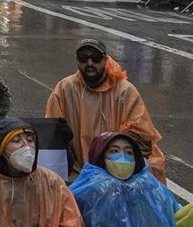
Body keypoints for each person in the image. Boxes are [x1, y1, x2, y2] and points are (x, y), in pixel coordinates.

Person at [45, 38, 166, 182]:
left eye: (95, 58)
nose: (89, 63)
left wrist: (115, 158)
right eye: (83, 59)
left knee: (151, 170)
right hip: (77, 172)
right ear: (77, 61)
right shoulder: (65, 89)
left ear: (105, 59)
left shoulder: (125, 91)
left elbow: (142, 137)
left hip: (118, 170)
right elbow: (50, 133)